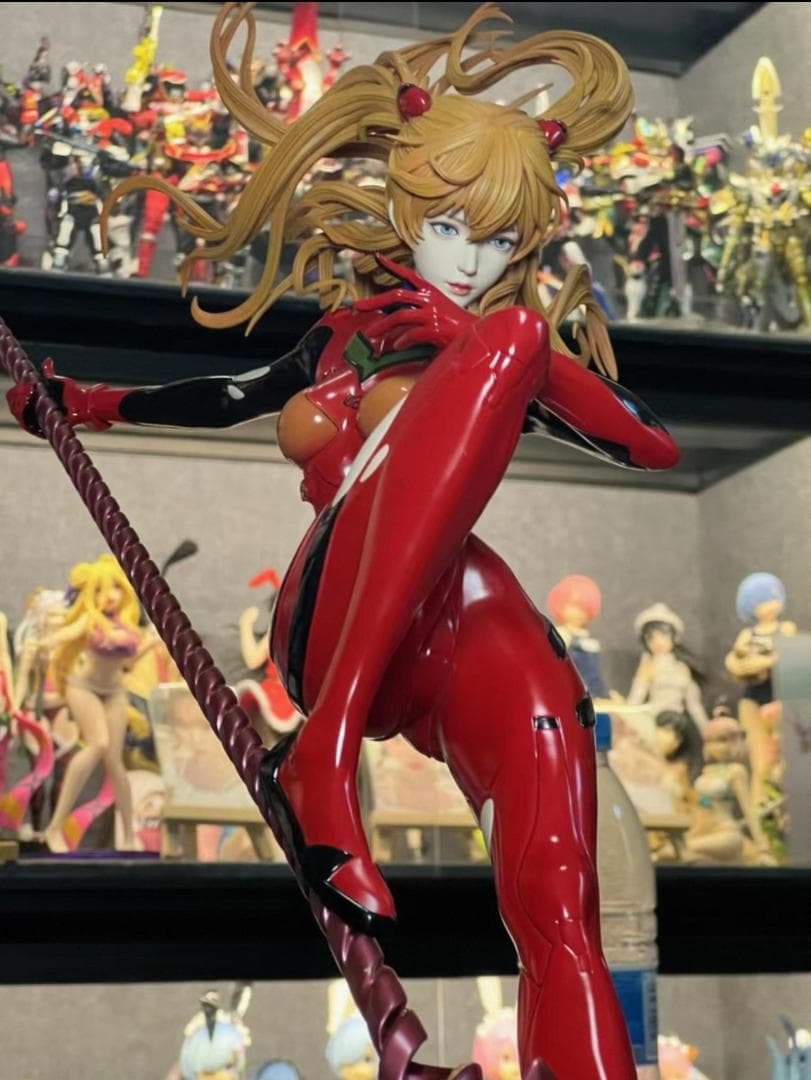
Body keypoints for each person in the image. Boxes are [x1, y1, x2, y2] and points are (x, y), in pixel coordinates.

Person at [8, 5, 679, 1074]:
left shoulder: (501, 343)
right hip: (343, 615)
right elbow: (227, 393)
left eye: (501, 241)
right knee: (515, 335)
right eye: (452, 228)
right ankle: (323, 750)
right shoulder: (351, 337)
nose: (473, 261)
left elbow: (649, 445)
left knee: (562, 912)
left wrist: (496, 346)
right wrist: (85, 403)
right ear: (406, 210)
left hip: (470, 625)